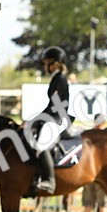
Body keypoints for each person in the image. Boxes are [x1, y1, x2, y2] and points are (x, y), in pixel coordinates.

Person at [30, 46, 71, 194]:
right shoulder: (56, 79)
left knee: (41, 144)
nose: (44, 66)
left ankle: (50, 181)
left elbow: (55, 105)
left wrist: (36, 119)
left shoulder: (60, 80)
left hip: (58, 118)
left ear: (55, 63)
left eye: (46, 62)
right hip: (53, 116)